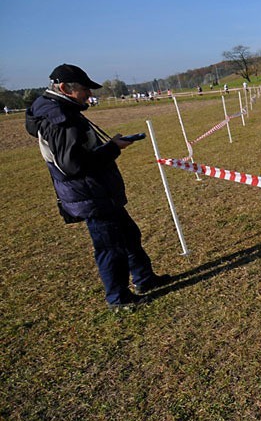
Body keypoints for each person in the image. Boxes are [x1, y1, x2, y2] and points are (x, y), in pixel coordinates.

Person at [25, 64, 170, 312]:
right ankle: (118, 298)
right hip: (90, 195)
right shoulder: (62, 118)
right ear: (64, 89)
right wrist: (113, 148)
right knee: (110, 247)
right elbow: (73, 165)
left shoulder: (58, 110)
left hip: (99, 191)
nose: (88, 95)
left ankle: (145, 279)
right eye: (84, 89)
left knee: (129, 236)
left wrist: (110, 145)